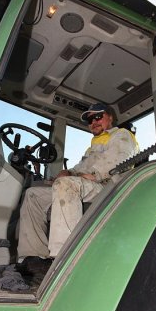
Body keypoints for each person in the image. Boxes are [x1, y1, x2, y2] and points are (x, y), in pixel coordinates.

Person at [17, 103, 139, 266]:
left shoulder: (122, 135)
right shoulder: (93, 147)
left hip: (109, 187)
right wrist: (65, 173)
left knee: (66, 185)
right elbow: (79, 168)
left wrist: (86, 175)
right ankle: (31, 258)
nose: (93, 122)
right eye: (89, 120)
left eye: (98, 116)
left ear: (110, 117)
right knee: (33, 194)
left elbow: (117, 160)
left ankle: (62, 260)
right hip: (87, 186)